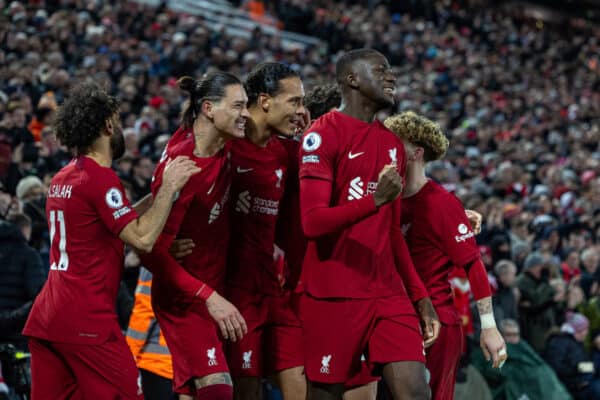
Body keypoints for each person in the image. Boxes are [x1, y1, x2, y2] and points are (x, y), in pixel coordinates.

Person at [22, 82, 200, 400]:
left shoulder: (63, 177)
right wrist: (171, 186)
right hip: (86, 318)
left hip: (47, 318)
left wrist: (157, 198)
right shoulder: (101, 178)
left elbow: (110, 224)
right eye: (116, 121)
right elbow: (142, 238)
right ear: (106, 125)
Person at [298, 48, 439, 400]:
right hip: (334, 291)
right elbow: (312, 223)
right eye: (381, 70)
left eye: (391, 70)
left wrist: (420, 296)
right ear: (352, 79)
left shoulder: (392, 143)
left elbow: (391, 232)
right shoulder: (322, 134)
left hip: (387, 293)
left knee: (416, 392)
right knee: (325, 394)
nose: (391, 76)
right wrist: (373, 200)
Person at [383, 111, 506, 400]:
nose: (387, 151)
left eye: (394, 145)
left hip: (436, 324)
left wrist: (489, 328)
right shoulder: (385, 198)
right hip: (393, 318)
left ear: (416, 152)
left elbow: (474, 267)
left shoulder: (441, 204)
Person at [142, 72, 250, 400]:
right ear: (208, 109)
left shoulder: (218, 142)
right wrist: (210, 298)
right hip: (187, 299)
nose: (246, 114)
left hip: (217, 286)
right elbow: (152, 253)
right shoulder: (182, 169)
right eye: (238, 106)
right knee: (218, 387)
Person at [226, 62, 307, 400]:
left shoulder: (288, 153)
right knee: (247, 391)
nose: (301, 112)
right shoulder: (225, 145)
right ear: (264, 101)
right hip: (233, 294)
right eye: (295, 102)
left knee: (303, 384)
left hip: (273, 291)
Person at [126, 267, 193, 400]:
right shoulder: (195, 261)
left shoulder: (153, 263)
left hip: (156, 362)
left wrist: (129, 353)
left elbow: (144, 311)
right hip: (186, 363)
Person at [0, 213, 45, 351]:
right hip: (17, 333)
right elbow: (38, 296)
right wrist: (15, 318)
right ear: (25, 229)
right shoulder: (29, 255)